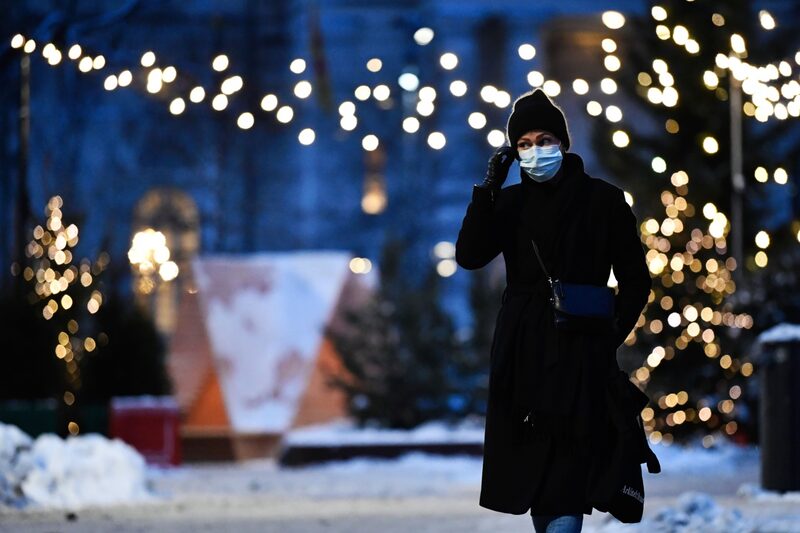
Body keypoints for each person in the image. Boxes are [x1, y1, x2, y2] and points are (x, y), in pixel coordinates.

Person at [455, 89, 652, 532]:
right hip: (522, 350)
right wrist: (486, 192)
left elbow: (636, 279)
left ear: (563, 143)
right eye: (523, 144)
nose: (535, 151)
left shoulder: (603, 200)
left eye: (544, 139)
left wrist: (607, 335)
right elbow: (469, 255)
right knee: (536, 472)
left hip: (579, 351)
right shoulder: (507, 204)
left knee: (569, 469)